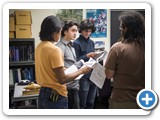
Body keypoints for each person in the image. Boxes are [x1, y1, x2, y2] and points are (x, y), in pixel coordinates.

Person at [35, 15, 92, 109]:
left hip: (43, 92)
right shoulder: (55, 49)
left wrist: (67, 69)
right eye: (60, 30)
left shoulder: (39, 47)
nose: (60, 33)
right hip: (56, 95)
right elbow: (62, 79)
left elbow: (52, 69)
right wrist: (82, 71)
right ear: (54, 31)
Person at [104, 11, 145, 109]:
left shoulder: (118, 48)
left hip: (122, 100)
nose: (120, 29)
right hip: (145, 99)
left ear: (126, 28)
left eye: (121, 27)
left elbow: (108, 74)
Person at [73, 19, 97, 109]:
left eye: (90, 31)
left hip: (93, 75)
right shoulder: (76, 43)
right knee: (82, 103)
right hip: (83, 76)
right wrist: (87, 56)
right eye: (86, 31)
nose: (88, 33)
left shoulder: (91, 42)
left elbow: (93, 58)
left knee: (91, 102)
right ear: (81, 30)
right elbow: (76, 61)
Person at [56, 20, 80, 109]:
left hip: (74, 84)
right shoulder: (59, 47)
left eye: (76, 31)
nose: (75, 33)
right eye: (73, 30)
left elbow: (71, 63)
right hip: (67, 87)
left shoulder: (71, 45)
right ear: (65, 31)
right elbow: (59, 68)